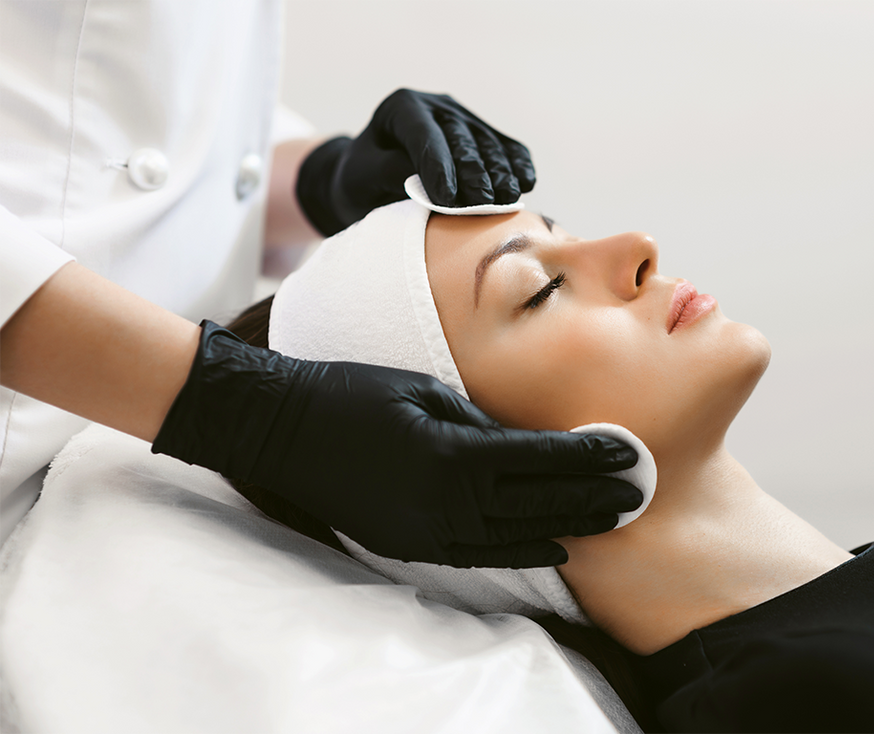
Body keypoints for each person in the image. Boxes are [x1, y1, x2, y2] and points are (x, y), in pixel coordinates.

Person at [225, 193, 874, 733]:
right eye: (539, 290)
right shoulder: (818, 696)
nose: (633, 245)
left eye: (558, 229)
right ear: (465, 460)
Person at [0, 1, 641, 566]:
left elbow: (119, 123)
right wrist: (251, 415)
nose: (642, 245)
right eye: (539, 288)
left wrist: (315, 180)